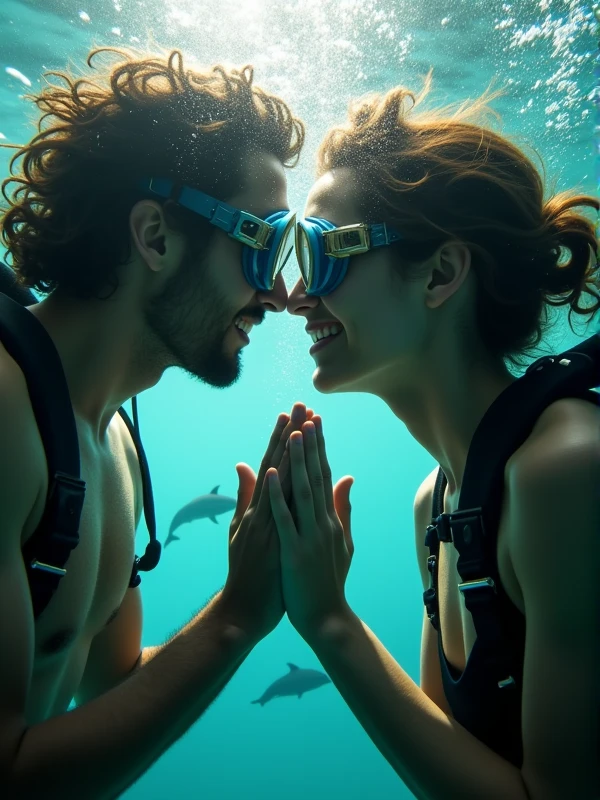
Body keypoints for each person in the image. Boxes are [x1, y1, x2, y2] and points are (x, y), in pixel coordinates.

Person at [267, 73, 600, 798]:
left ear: (441, 272)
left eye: (323, 253)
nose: (296, 297)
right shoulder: (438, 508)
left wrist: (328, 619)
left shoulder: (568, 471)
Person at [0, 46, 310, 797]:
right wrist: (236, 617)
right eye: (263, 243)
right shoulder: (7, 419)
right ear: (157, 235)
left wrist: (254, 587)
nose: (279, 295)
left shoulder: (114, 438)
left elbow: (109, 691)